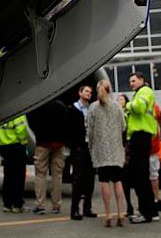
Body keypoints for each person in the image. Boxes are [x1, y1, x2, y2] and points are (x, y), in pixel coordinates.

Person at [87, 79, 127, 227]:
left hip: (101, 150)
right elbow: (123, 126)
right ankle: (120, 212)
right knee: (118, 181)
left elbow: (89, 130)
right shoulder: (117, 106)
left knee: (104, 181)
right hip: (115, 149)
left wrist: (91, 146)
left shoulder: (93, 107)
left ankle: (108, 213)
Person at [125, 72, 158, 224]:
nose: (131, 83)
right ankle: (151, 211)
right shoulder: (142, 92)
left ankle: (145, 212)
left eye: (133, 80)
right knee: (143, 175)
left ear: (141, 80)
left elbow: (139, 108)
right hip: (142, 136)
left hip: (140, 136)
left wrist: (126, 106)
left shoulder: (144, 91)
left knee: (140, 176)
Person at [28, 99, 67, 214]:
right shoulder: (61, 106)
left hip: (43, 143)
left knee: (40, 174)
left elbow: (32, 123)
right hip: (59, 143)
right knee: (57, 175)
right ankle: (56, 205)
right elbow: (67, 124)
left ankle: (40, 205)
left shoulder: (38, 106)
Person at [67, 85, 97, 220]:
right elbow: (68, 128)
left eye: (90, 92)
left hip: (90, 147)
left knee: (90, 178)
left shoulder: (92, 109)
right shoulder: (73, 109)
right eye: (86, 91)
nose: (89, 93)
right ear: (80, 93)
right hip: (79, 147)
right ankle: (75, 209)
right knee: (78, 178)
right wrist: (73, 146)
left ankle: (87, 207)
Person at [0, 115, 29, 213]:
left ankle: (7, 204)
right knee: (19, 177)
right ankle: (17, 204)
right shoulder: (18, 113)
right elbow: (21, 130)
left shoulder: (0, 114)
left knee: (8, 176)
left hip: (4, 146)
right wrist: (24, 141)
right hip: (17, 146)